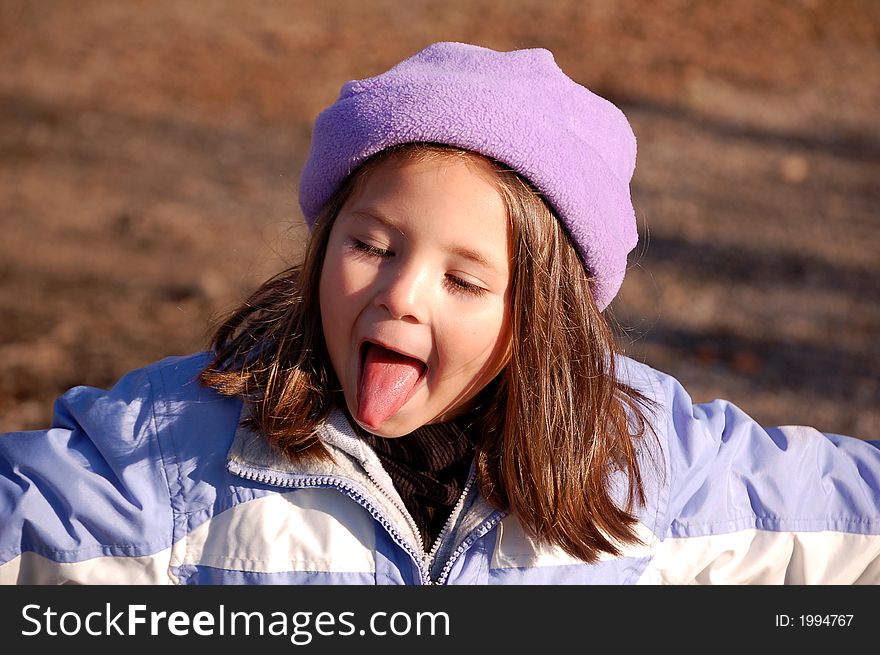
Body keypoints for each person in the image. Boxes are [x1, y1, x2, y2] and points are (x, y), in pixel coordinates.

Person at [1, 41, 878, 585]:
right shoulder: (176, 452)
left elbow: (838, 520)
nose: (400, 294)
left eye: (464, 281)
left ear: (544, 319)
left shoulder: (643, 467)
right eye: (372, 246)